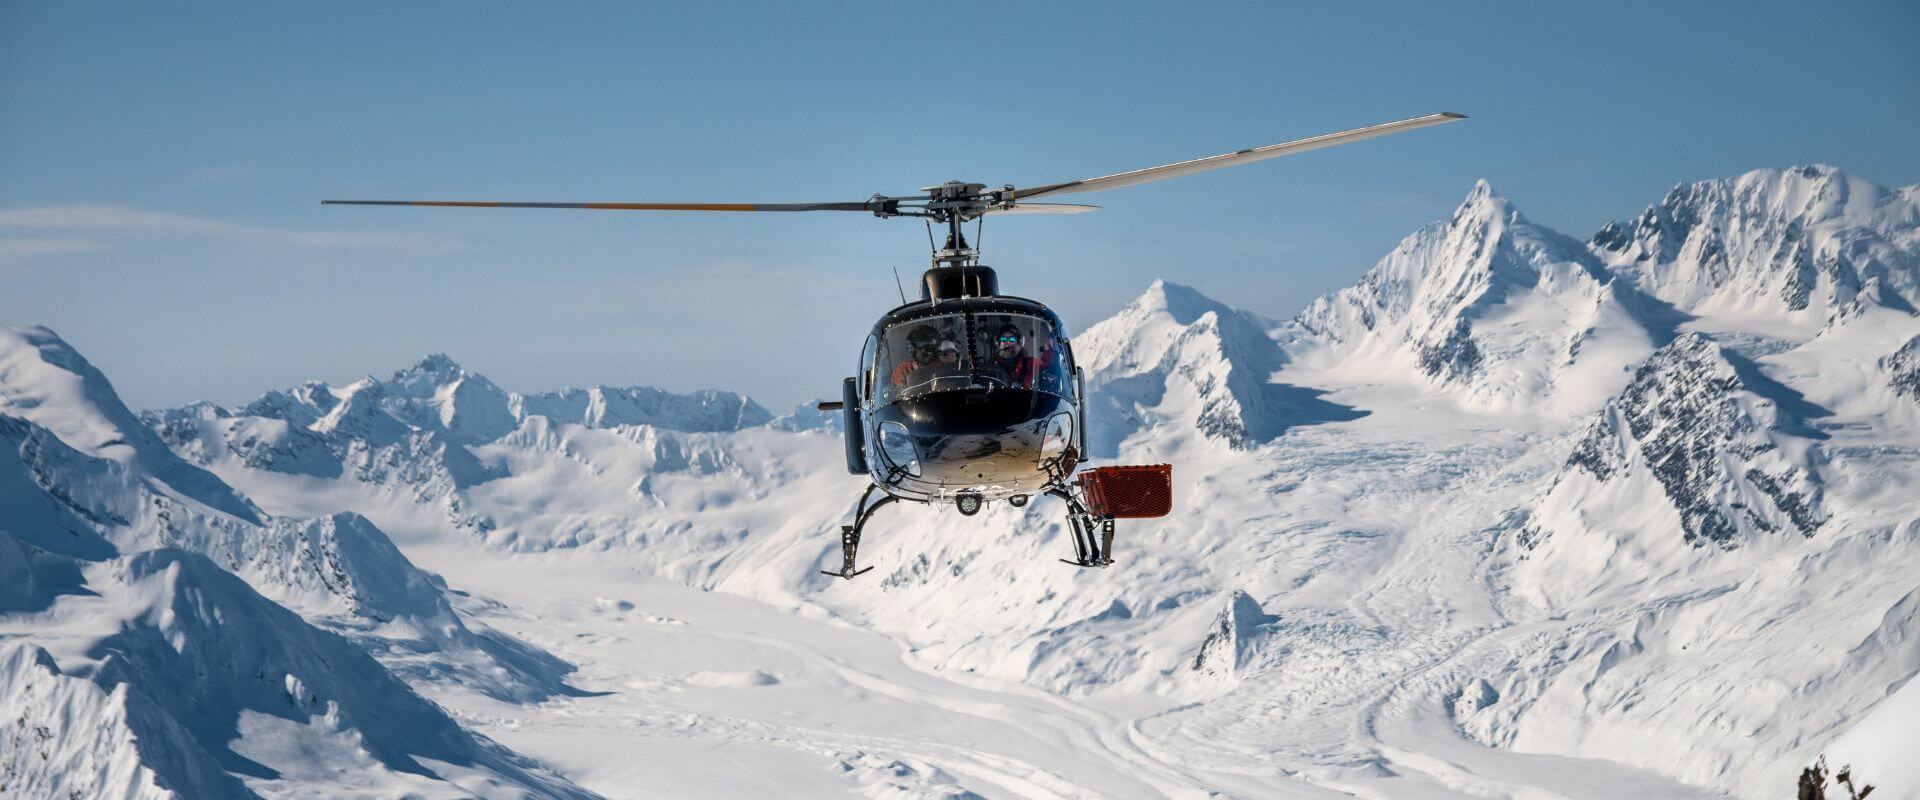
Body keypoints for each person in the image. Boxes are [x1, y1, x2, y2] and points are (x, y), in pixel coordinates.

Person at [889, 324, 940, 390]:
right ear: (914, 350)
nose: (929, 353)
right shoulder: (904, 370)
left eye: (932, 349)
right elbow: (900, 395)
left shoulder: (941, 365)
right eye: (926, 349)